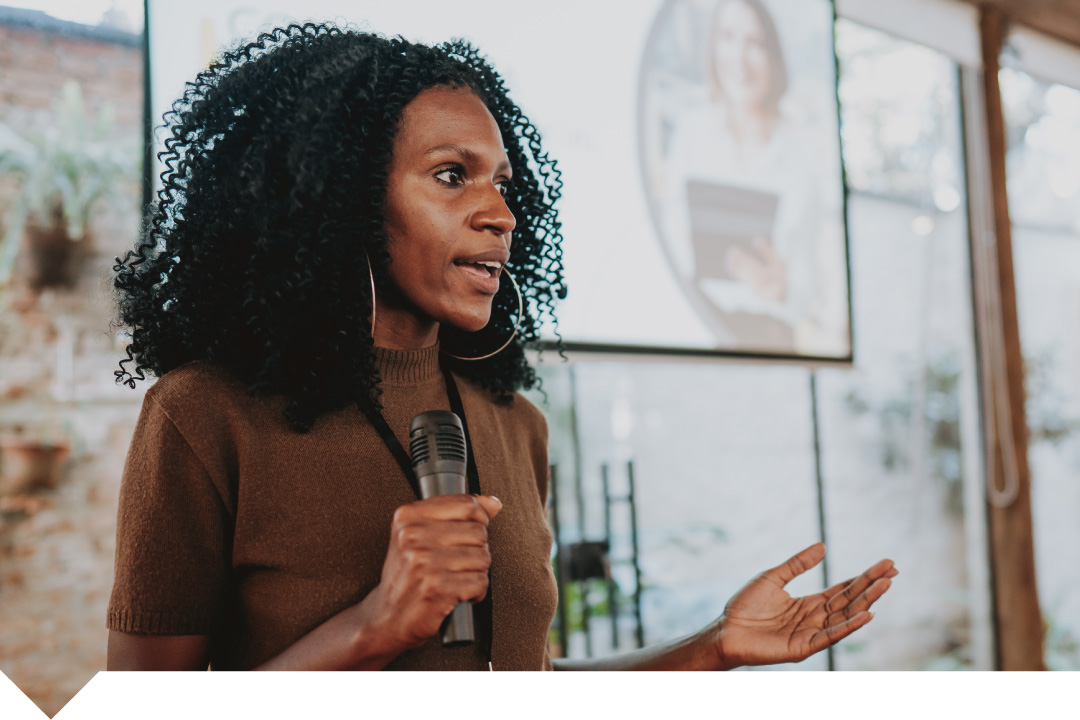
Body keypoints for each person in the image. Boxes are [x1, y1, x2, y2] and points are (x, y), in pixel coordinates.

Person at [107, 23, 894, 671]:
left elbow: (529, 686)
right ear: (340, 197)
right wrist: (372, 625)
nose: (500, 214)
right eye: (452, 175)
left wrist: (712, 648)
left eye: (504, 186)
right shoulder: (205, 417)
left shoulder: (514, 423)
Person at [660, 0, 846, 354]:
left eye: (755, 43)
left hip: (770, 341)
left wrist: (781, 288)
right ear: (713, 46)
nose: (739, 58)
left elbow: (806, 288)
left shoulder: (801, 157)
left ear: (774, 58)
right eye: (728, 37)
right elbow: (670, 241)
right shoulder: (691, 133)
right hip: (691, 330)